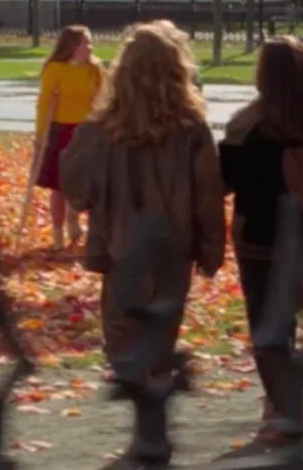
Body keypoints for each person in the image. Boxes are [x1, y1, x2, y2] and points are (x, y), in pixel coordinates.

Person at [59, 21, 225, 380]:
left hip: (121, 242)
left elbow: (74, 182)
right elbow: (208, 194)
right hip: (173, 244)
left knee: (123, 332)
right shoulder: (190, 128)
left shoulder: (103, 128)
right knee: (161, 336)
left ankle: (137, 395)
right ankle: (152, 401)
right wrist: (211, 248)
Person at [220, 37, 303, 443]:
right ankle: (283, 398)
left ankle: (280, 405)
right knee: (285, 312)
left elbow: (224, 181)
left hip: (257, 234)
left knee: (264, 319)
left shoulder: (248, 124)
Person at [34, 26, 106, 248]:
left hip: (87, 133)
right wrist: (40, 137)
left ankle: (73, 218)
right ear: (72, 46)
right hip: (61, 131)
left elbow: (105, 99)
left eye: (90, 42)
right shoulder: (55, 69)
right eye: (85, 42)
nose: (90, 47)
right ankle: (57, 233)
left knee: (87, 182)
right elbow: (44, 104)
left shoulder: (95, 69)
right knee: (59, 186)